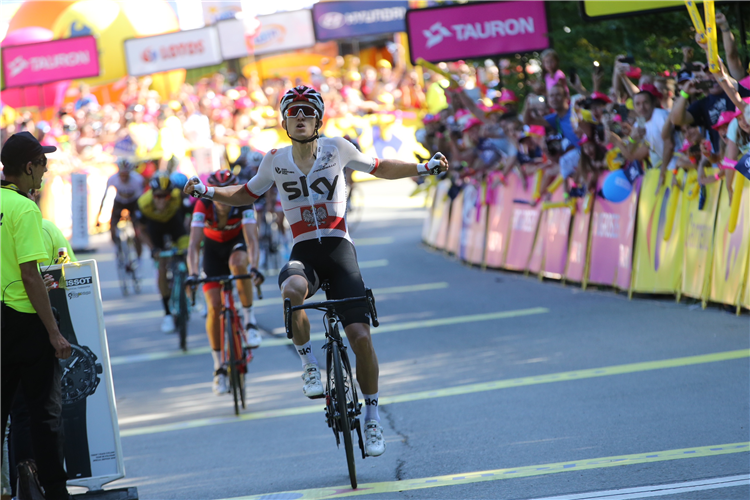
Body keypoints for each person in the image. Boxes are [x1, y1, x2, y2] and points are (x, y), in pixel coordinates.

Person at [185, 85, 449, 457]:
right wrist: (208, 192)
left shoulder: (337, 148)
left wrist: (425, 167)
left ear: (319, 119)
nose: (301, 117)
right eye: (293, 112)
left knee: (360, 337)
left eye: (308, 112)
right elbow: (246, 193)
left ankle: (372, 418)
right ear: (284, 121)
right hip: (304, 252)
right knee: (292, 289)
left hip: (340, 251)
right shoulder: (274, 160)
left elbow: (380, 167)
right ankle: (308, 363)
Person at [1, 131, 72, 500]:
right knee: (45, 413)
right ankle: (56, 492)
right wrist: (54, 333)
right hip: (24, 321)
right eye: (42, 164)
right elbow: (31, 275)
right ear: (28, 168)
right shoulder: (25, 208)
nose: (45, 172)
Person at [185, 170, 264, 395]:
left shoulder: (244, 203)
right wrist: (192, 273)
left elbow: (252, 240)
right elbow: (193, 245)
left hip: (236, 245)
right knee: (214, 308)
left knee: (239, 263)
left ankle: (249, 322)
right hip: (212, 252)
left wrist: (255, 267)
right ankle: (219, 367)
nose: (221, 202)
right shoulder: (202, 205)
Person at [137, 172, 189, 333]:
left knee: (186, 254)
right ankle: (167, 314)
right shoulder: (143, 204)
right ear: (152, 194)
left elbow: (190, 217)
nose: (162, 200)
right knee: (162, 267)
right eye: (158, 196)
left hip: (175, 224)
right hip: (155, 228)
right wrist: (153, 249)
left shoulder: (178, 197)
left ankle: (189, 289)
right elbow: (140, 231)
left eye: (166, 196)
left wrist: (190, 245)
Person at [96, 158, 145, 259]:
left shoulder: (137, 180)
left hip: (134, 202)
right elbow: (105, 197)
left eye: (125, 175)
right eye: (121, 175)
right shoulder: (113, 179)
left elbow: (142, 200)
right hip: (119, 202)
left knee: (138, 230)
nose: (123, 178)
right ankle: (118, 246)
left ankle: (138, 257)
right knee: (112, 226)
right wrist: (98, 217)